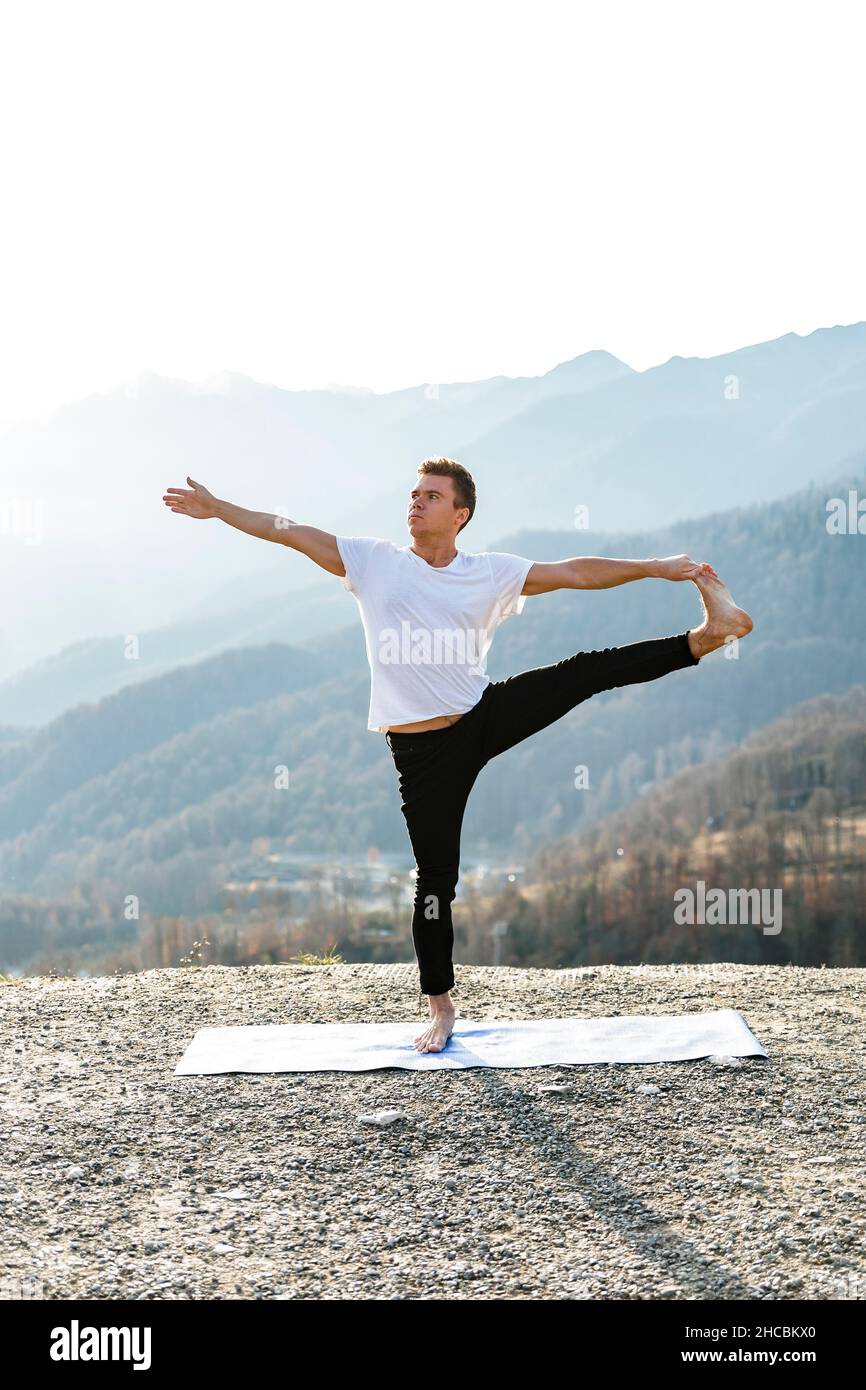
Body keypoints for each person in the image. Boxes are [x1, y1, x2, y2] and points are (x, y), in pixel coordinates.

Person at [164, 457, 753, 1054]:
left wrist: (655, 568)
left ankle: (705, 637)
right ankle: (441, 1007)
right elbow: (286, 529)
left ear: (460, 514)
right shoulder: (373, 562)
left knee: (584, 672)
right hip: (421, 755)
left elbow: (576, 572)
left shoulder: (488, 573)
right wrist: (220, 510)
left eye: (431, 496)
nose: (415, 503)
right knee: (435, 882)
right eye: (414, 494)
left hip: (481, 717)